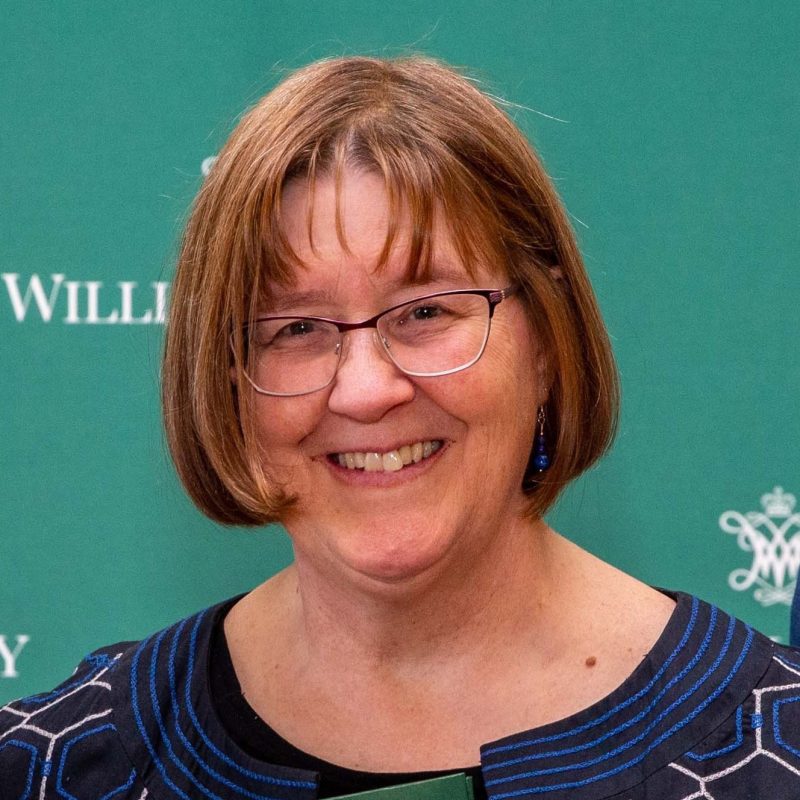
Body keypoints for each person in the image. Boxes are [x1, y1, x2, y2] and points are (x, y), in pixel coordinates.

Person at [2, 56, 799, 800]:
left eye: (426, 313)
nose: (365, 390)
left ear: (547, 340)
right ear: (227, 383)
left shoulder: (772, 753)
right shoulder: (60, 767)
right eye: (296, 329)